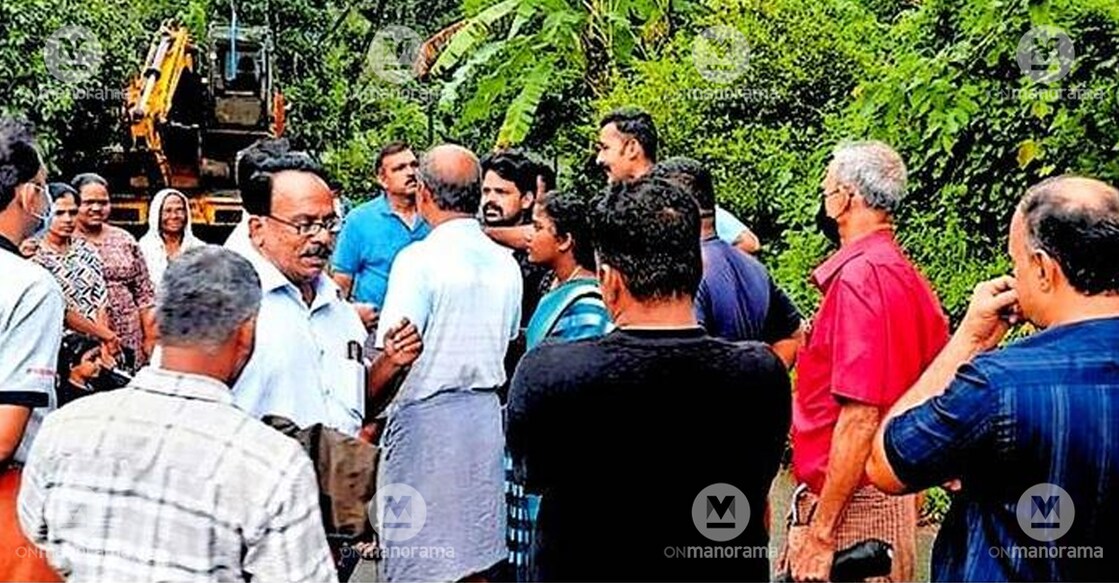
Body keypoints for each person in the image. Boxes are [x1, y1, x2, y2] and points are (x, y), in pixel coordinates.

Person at [508, 176, 790, 581]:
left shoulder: (548, 374)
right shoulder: (761, 375)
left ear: (609, 279)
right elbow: (757, 484)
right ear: (696, 270)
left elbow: (532, 475)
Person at [17, 247, 339, 582]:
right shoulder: (272, 464)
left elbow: (38, 539)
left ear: (154, 324)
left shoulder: (63, 430)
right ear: (246, 333)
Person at [867, 176, 1119, 582]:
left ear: (1042, 268)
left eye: (1016, 263)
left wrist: (970, 338)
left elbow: (887, 464)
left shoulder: (999, 386)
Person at [778, 141, 949, 582]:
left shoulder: (861, 279)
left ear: (847, 197)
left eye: (828, 183)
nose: (823, 192)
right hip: (883, 495)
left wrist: (821, 532)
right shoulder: (904, 275)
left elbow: (860, 417)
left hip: (856, 505)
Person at [373, 144, 522, 582]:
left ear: (423, 194)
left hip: (425, 424)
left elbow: (396, 349)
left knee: (419, 557)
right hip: (483, 423)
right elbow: (511, 340)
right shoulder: (504, 263)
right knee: (478, 556)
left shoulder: (418, 261)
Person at [230, 151, 420, 438]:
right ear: (258, 229)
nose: (322, 238)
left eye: (329, 224)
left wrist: (391, 363)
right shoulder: (230, 304)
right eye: (304, 225)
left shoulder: (336, 306)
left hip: (334, 478)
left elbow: (356, 405)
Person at [506, 188, 612, 580]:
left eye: (538, 227)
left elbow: (577, 394)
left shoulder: (587, 304)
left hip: (558, 466)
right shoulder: (556, 289)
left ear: (566, 240)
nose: (528, 236)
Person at [652, 156, 804, 366]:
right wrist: (761, 381)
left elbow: (683, 363)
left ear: (669, 211)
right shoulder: (754, 267)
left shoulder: (684, 275)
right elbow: (792, 337)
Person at [0, 118, 64, 582]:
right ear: (26, 194)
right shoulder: (30, 286)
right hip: (11, 498)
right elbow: (5, 433)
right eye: (42, 187)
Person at [595, 107, 762, 253]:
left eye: (605, 148)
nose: (599, 159)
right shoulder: (617, 205)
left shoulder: (674, 188)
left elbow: (749, 243)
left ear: (632, 148)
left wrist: (698, 275)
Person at [331, 141, 430, 311]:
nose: (411, 173)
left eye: (414, 165)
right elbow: (342, 281)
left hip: (432, 324)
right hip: (378, 325)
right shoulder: (359, 220)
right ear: (382, 179)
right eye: (400, 168)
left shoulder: (436, 214)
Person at [72, 172, 156, 369]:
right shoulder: (64, 240)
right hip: (84, 335)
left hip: (129, 333)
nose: (96, 208)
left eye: (103, 202)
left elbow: (144, 293)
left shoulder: (124, 239)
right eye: (89, 202)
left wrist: (150, 338)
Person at [31, 183, 119, 362]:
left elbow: (100, 301)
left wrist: (104, 343)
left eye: (72, 212)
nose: (68, 219)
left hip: (96, 344)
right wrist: (105, 335)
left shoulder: (87, 250)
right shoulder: (34, 256)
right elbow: (61, 311)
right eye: (59, 213)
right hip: (55, 346)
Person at [480, 149, 553, 327]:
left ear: (526, 200)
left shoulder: (540, 259)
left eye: (501, 192)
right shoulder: (470, 247)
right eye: (486, 191)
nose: (491, 199)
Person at [138, 188, 206, 290]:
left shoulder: (200, 249)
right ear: (157, 214)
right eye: (167, 211)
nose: (174, 216)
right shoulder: (143, 248)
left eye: (179, 210)